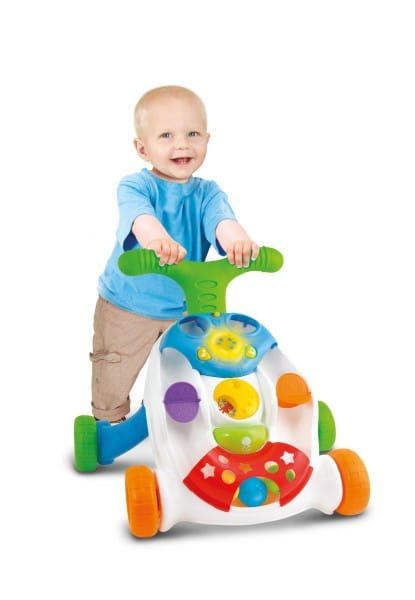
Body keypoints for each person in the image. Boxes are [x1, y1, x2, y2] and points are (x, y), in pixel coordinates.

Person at [91, 85, 259, 422]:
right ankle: (107, 422)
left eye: (192, 133)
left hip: (184, 307)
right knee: (115, 369)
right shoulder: (136, 186)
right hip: (127, 305)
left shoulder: (208, 193)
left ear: (207, 139)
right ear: (142, 148)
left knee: (181, 370)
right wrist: (157, 240)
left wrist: (238, 241)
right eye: (166, 135)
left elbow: (222, 221)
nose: (182, 144)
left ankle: (170, 421)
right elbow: (140, 217)